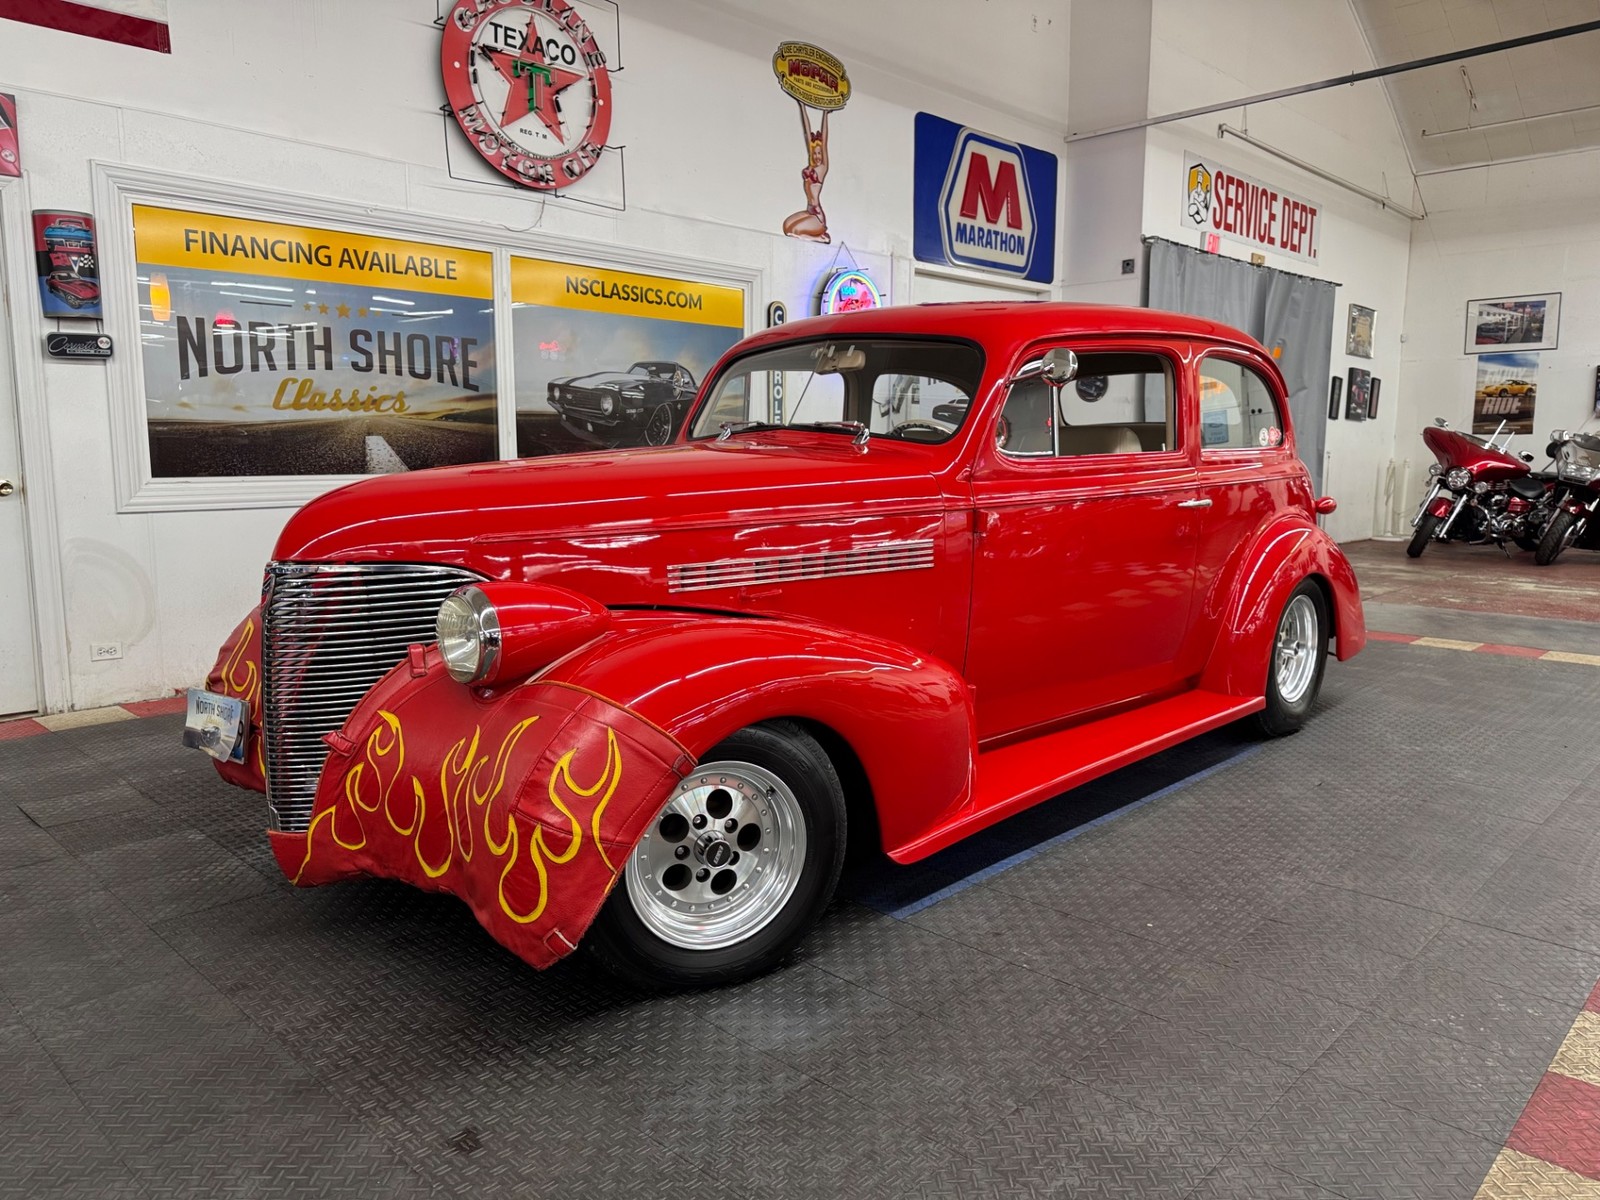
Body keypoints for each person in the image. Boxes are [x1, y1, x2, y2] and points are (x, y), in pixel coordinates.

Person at [782, 104, 830, 243]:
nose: (817, 156)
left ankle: (822, 238)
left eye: (819, 153)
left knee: (793, 232)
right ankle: (816, 236)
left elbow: (825, 140)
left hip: (817, 217)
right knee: (786, 227)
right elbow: (807, 132)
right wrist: (802, 106)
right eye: (815, 153)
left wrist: (825, 114)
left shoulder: (822, 168)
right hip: (809, 211)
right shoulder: (810, 167)